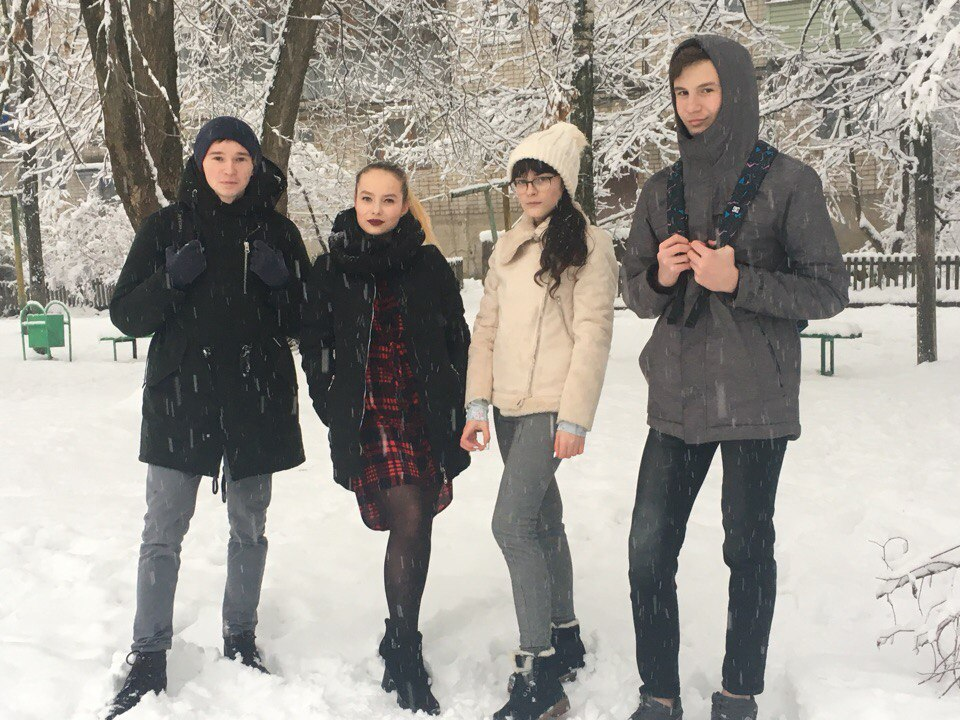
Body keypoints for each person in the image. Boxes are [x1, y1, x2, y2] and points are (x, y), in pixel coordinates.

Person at [620, 36, 849, 720]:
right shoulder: (659, 189)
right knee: (647, 551)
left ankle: (739, 692)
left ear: (738, 91)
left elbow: (827, 290)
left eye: (708, 90)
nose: (692, 106)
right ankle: (658, 695)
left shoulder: (790, 181)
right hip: (677, 397)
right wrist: (661, 276)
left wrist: (738, 281)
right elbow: (634, 292)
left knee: (747, 549)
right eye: (682, 92)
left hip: (755, 397)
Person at [104, 116, 310, 718]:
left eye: (241, 158)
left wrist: (281, 283)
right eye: (217, 156)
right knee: (162, 531)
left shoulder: (278, 232)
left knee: (249, 527)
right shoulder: (165, 228)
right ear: (199, 162)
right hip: (181, 401)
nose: (229, 169)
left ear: (255, 165)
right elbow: (126, 316)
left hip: (255, 401)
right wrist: (170, 279)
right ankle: (148, 653)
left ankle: (240, 638)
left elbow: (307, 319)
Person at [299, 160, 470, 715]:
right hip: (368, 414)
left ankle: (400, 639)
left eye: (388, 199)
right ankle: (405, 646)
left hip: (421, 410)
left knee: (418, 518)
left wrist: (458, 399)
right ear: (354, 200)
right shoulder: (331, 267)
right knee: (411, 515)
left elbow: (457, 335)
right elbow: (314, 343)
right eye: (367, 198)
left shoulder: (427, 263)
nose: (376, 209)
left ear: (403, 204)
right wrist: (330, 402)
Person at [461, 121, 619, 720]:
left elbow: (593, 334)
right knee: (544, 520)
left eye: (541, 178)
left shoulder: (589, 245)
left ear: (563, 183)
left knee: (511, 525)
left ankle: (539, 675)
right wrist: (477, 403)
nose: (529, 189)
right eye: (521, 180)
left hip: (550, 406)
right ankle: (566, 635)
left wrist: (575, 418)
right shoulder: (507, 247)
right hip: (506, 408)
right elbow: (487, 329)